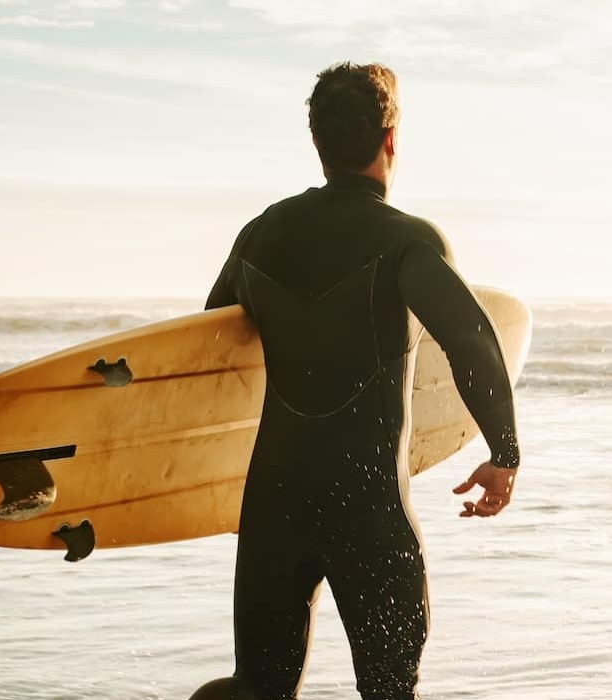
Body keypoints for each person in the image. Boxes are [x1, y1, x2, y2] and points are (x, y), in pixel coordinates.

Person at [190, 62, 524, 700]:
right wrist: (503, 453)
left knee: (255, 684)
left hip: (273, 507)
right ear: (391, 139)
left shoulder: (259, 234)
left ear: (316, 145)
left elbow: (210, 349)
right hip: (367, 509)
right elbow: (471, 341)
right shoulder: (406, 240)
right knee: (390, 689)